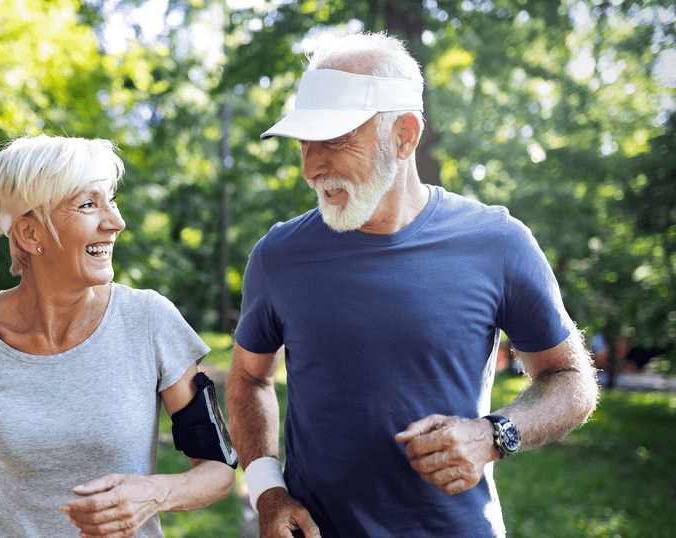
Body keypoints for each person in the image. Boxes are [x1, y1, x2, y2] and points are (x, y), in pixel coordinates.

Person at [226, 32, 599, 538]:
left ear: (404, 135)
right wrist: (269, 493)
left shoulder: (499, 243)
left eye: (334, 139)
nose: (312, 166)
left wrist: (495, 435)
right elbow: (249, 378)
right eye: (303, 142)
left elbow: (570, 377)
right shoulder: (278, 255)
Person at [0, 135, 236, 538]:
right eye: (89, 204)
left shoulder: (149, 321)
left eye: (111, 200)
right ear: (29, 234)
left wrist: (157, 492)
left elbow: (219, 469)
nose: (116, 222)